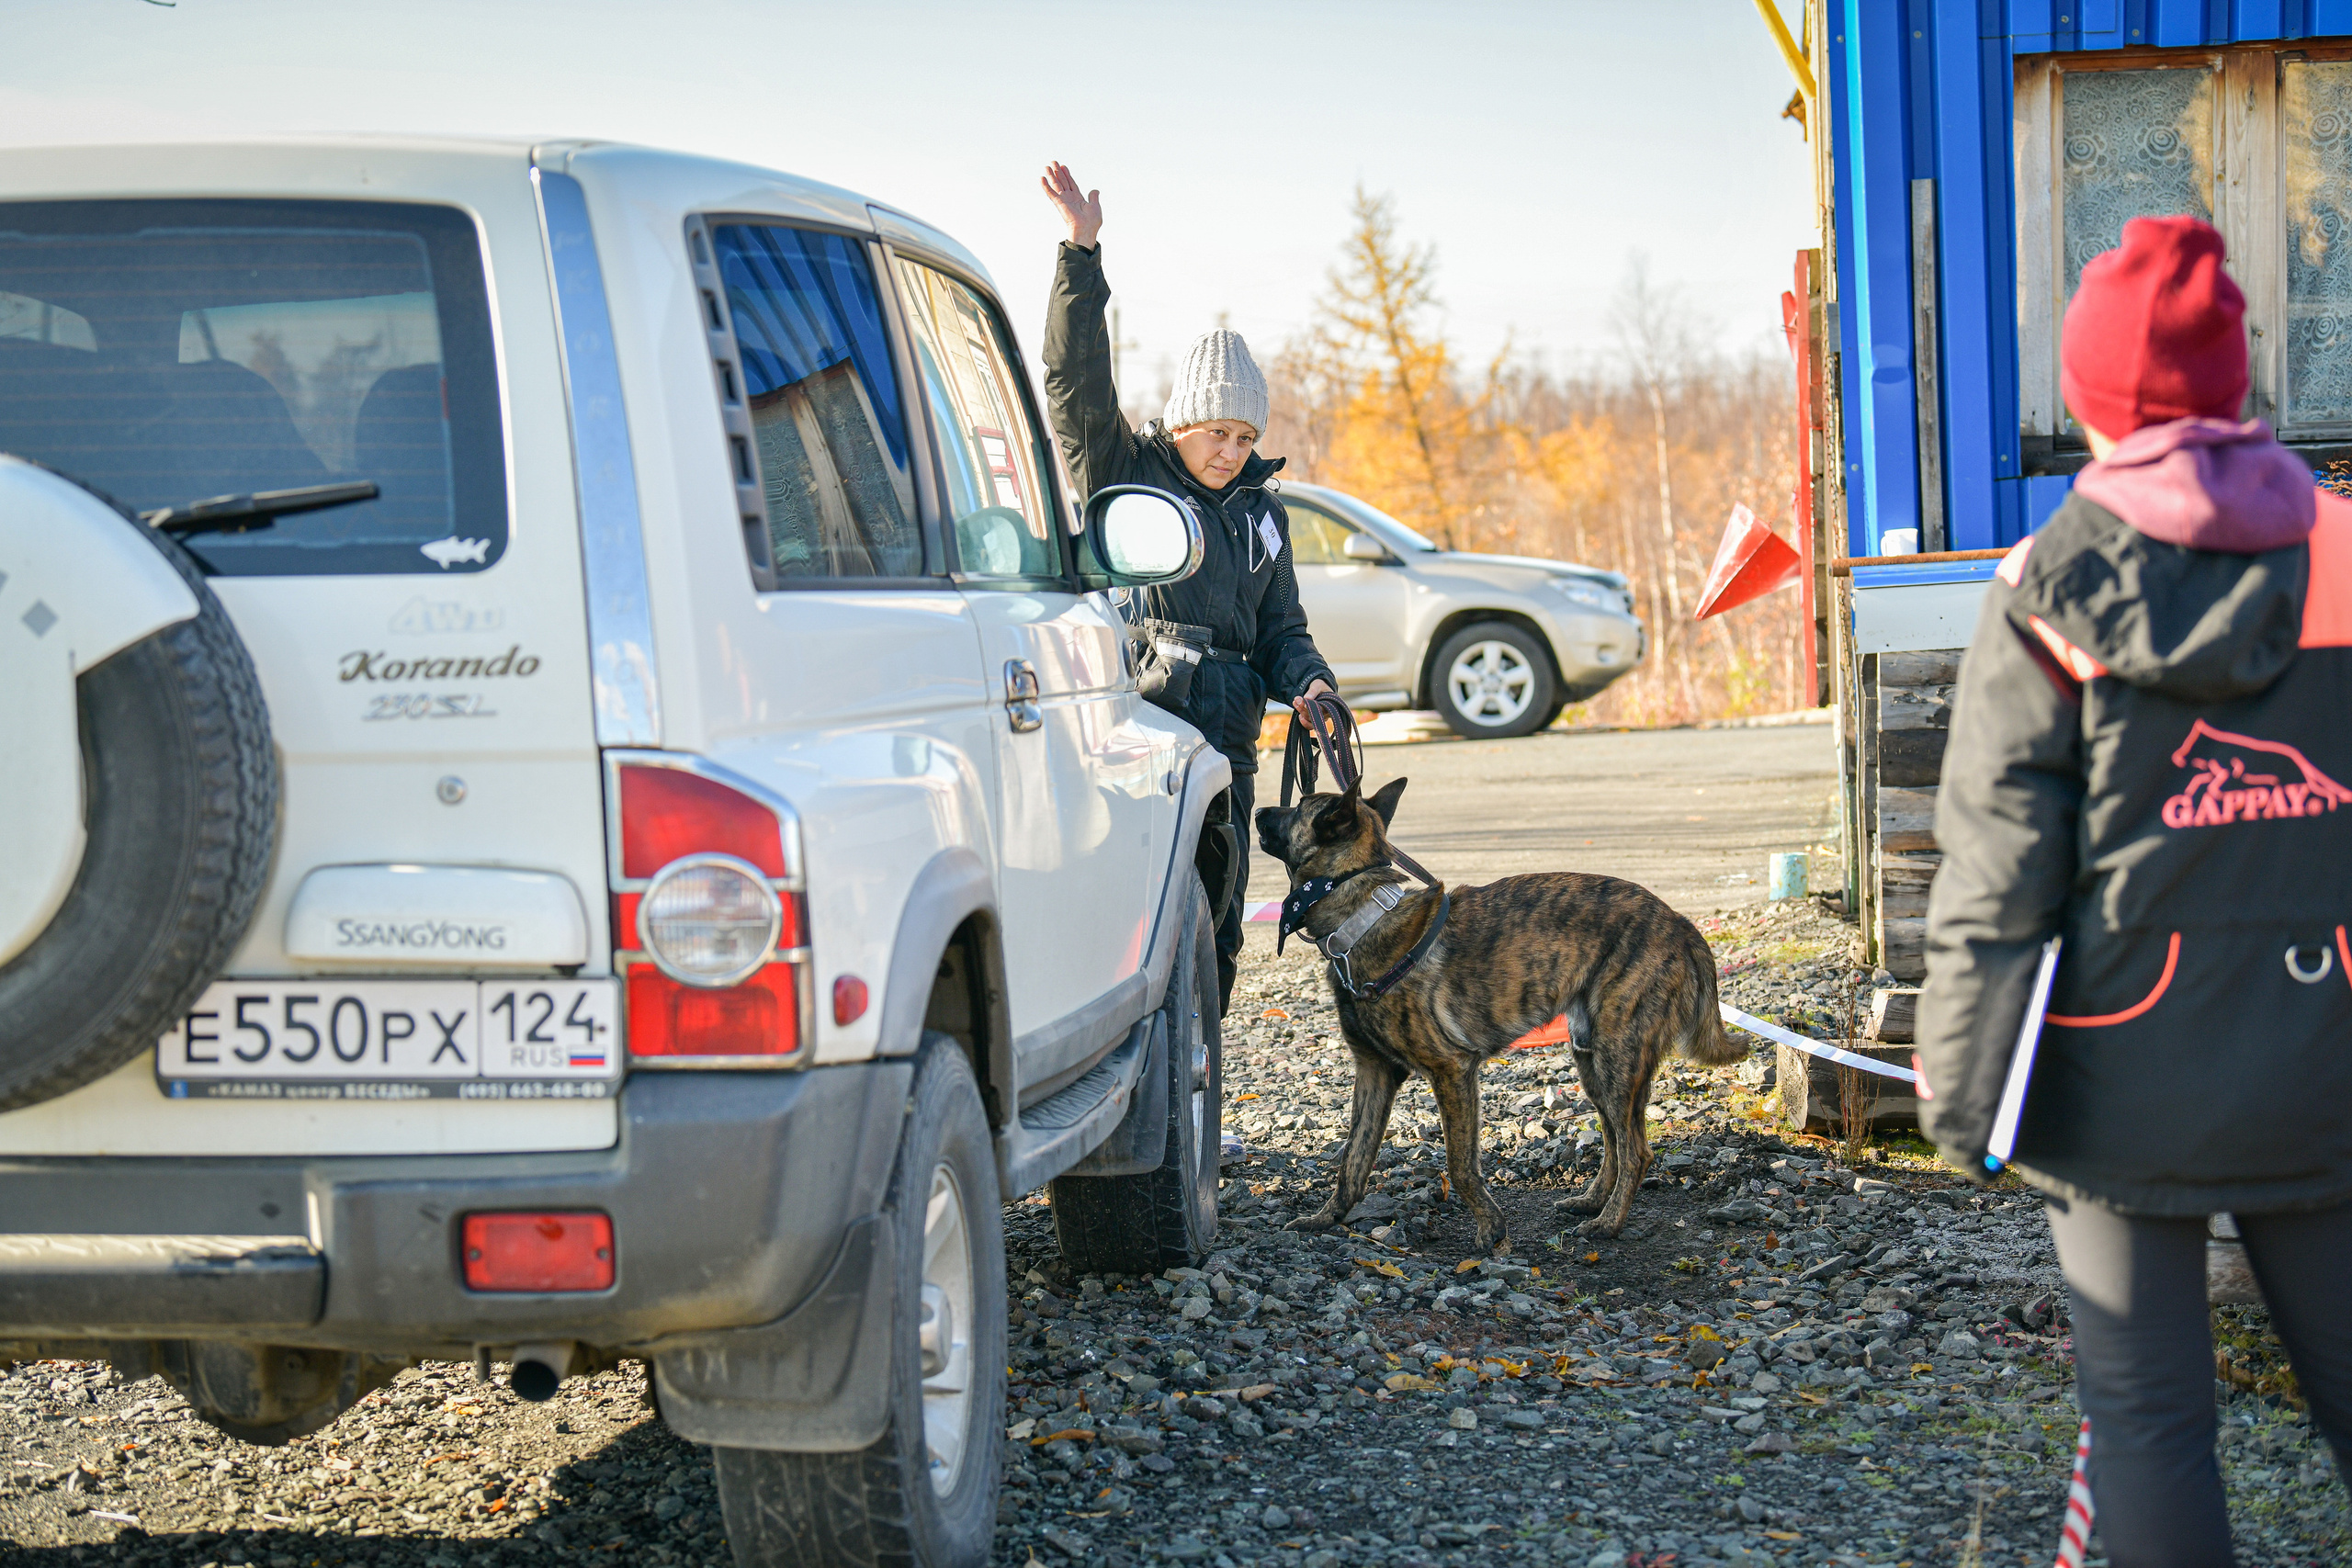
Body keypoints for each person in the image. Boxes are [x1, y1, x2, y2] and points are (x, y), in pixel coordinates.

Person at [1917, 214, 2352, 1567]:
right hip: (2330, 1054)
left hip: (2116, 1076)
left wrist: (1965, 1092)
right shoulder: (2344, 551)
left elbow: (1996, 873)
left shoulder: (2040, 586)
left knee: (2151, 1414)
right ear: (2236, 383)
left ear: (2090, 396)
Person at [1038, 161, 1337, 1014]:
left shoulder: (1262, 517)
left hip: (1229, 747)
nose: (1232, 449)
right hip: (1138, 730)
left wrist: (1310, 682)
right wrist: (1079, 255)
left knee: (1219, 924)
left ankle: (1198, 1111)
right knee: (1133, 924)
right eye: (1219, 430)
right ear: (1181, 421)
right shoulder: (1126, 470)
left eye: (1246, 434)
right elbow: (1072, 384)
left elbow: (1283, 628)